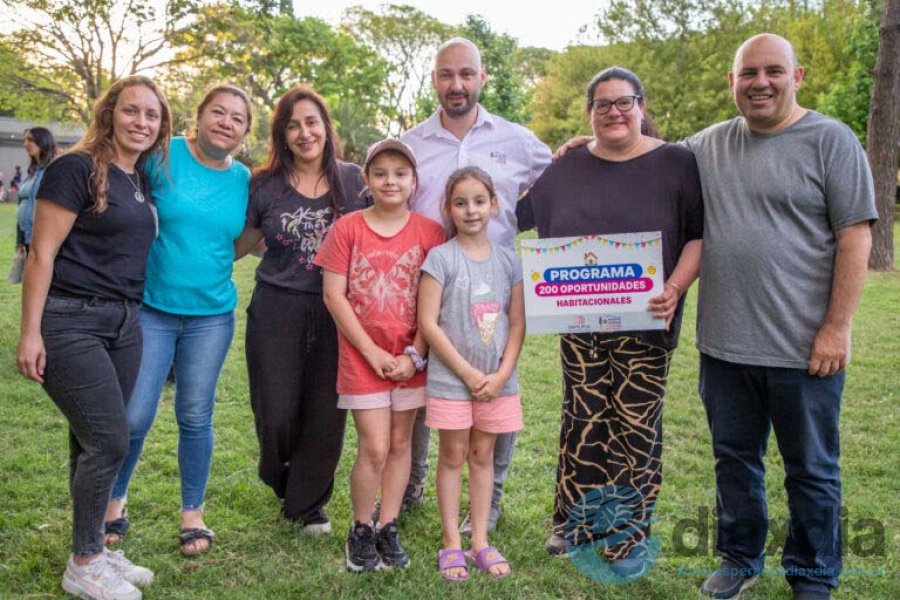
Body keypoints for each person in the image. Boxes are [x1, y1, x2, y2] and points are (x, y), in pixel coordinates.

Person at [684, 34, 876, 600]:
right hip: (724, 347)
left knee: (812, 471)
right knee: (734, 463)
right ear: (732, 81)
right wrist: (587, 144)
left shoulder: (832, 140)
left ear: (798, 77)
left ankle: (813, 577)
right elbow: (645, 161)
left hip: (804, 350)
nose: (759, 82)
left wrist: (837, 327)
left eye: (773, 71)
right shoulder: (706, 145)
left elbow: (855, 237)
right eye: (748, 73)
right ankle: (739, 560)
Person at [517, 66, 703, 576]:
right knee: (583, 420)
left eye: (624, 102)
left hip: (646, 322)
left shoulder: (676, 162)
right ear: (590, 113)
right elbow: (519, 215)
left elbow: (697, 235)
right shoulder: (569, 166)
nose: (614, 112)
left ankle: (627, 535)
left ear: (642, 105)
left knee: (635, 428)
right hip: (581, 326)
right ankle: (573, 523)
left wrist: (675, 286)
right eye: (603, 105)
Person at [16, 75, 171, 600]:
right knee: (109, 439)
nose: (142, 122)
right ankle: (84, 563)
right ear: (110, 114)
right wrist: (31, 333)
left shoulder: (138, 180)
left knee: (89, 440)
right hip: (70, 320)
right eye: (132, 111)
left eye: (152, 115)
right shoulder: (75, 169)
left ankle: (94, 550)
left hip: (124, 324)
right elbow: (41, 255)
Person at [401, 37, 551, 534]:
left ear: (482, 77)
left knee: (496, 385)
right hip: (430, 281)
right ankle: (412, 483)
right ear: (435, 81)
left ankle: (493, 497)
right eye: (447, 75)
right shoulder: (412, 142)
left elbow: (562, 181)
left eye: (467, 74)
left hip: (496, 285)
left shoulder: (518, 140)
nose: (457, 84)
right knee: (427, 384)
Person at [103, 85, 253, 556]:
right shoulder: (161, 155)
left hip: (211, 315)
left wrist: (216, 262)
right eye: (218, 113)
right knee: (134, 414)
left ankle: (193, 514)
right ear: (200, 115)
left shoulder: (244, 179)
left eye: (237, 119)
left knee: (195, 414)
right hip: (151, 309)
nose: (226, 123)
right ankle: (113, 503)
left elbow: (249, 234)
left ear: (246, 132)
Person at [234, 85, 368, 533]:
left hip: (338, 314)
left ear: (326, 129)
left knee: (326, 413)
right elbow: (240, 244)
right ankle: (280, 477)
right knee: (275, 412)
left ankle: (308, 504)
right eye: (293, 125)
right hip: (276, 308)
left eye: (312, 122)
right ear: (282, 134)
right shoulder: (264, 185)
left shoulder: (354, 181)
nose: (304, 132)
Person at [315, 139, 445, 572]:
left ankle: (388, 525)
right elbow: (334, 296)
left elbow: (435, 303)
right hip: (361, 356)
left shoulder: (430, 233)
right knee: (374, 446)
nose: (391, 180)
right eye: (382, 173)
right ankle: (360, 528)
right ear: (367, 181)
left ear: (413, 181)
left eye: (400, 173)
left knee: (401, 443)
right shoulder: (348, 228)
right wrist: (370, 352)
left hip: (411, 358)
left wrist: (416, 355)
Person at [418, 167, 525, 581]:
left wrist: (499, 375)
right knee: (452, 456)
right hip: (451, 382)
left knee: (483, 457)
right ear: (448, 208)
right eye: (460, 203)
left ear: (494, 205)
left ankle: (479, 539)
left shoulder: (508, 262)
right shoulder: (441, 259)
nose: (471, 210)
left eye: (479, 201)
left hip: (497, 384)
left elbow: (516, 324)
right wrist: (465, 372)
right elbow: (429, 323)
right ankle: (451, 542)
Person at [17, 127, 59, 253]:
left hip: (41, 237)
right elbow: (22, 202)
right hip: (26, 234)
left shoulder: (53, 168)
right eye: (24, 140)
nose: (25, 144)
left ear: (43, 141)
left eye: (30, 140)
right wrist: (20, 239)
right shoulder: (33, 170)